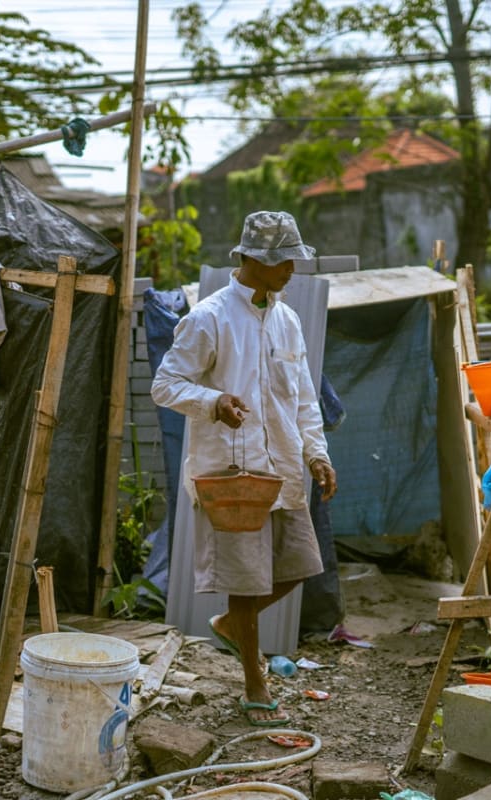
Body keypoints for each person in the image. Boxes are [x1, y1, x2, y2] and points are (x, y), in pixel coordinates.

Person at [151, 210, 338, 727]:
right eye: (282, 261)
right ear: (252, 259)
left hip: (283, 468)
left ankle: (233, 625)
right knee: (247, 583)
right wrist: (213, 402)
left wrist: (317, 454)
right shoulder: (208, 317)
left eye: (293, 260)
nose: (291, 270)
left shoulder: (288, 320)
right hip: (232, 472)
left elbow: (304, 399)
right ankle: (255, 684)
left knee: (301, 565)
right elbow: (165, 385)